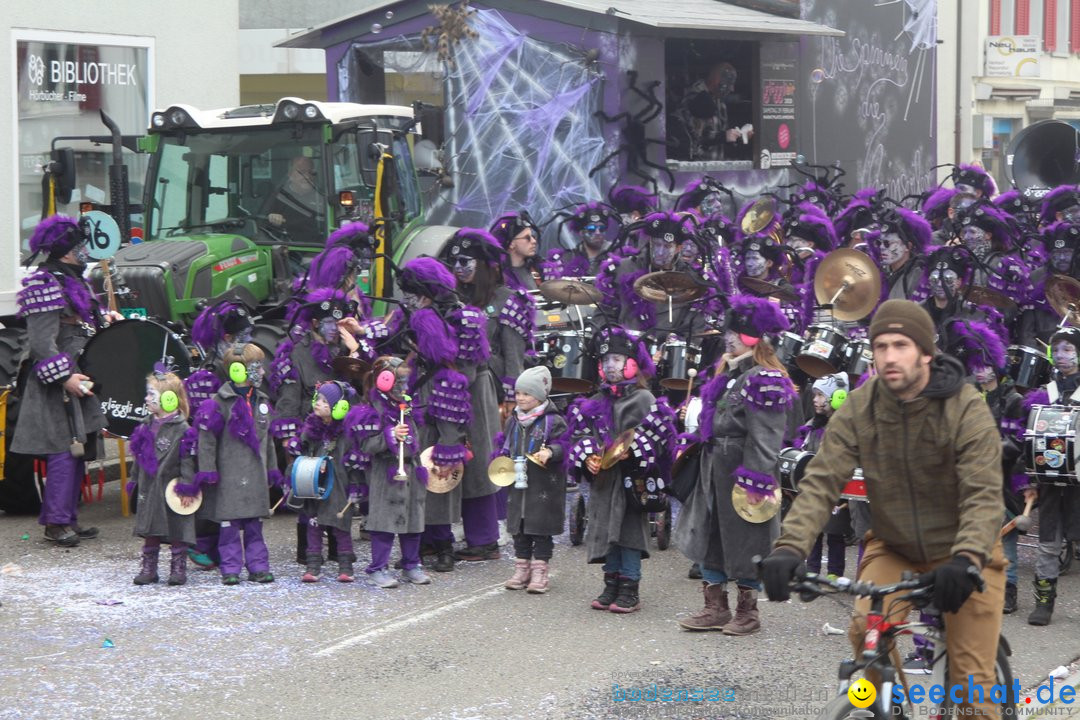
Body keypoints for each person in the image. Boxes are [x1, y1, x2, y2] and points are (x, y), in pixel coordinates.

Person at [762, 300, 1007, 719]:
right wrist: (789, 549)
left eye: (901, 345)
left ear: (926, 352)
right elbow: (822, 480)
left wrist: (966, 558)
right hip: (894, 546)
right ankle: (876, 707)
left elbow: (982, 493)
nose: (889, 356)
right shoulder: (861, 406)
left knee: (972, 688)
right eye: (880, 346)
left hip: (967, 552)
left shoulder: (966, 407)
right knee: (865, 635)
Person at [673, 294, 796, 635]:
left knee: (747, 539)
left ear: (755, 337)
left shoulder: (765, 377)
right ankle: (715, 607)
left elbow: (767, 436)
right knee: (710, 534)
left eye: (737, 332)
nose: (727, 338)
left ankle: (748, 612)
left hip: (744, 472)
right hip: (714, 468)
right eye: (728, 331)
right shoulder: (726, 373)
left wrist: (756, 479)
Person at [13, 215, 113, 547]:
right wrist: (65, 377)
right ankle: (55, 523)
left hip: (78, 372)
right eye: (81, 246)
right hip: (57, 382)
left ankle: (68, 517)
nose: (86, 250)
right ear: (68, 251)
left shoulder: (73, 279)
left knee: (78, 449)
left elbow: (82, 325)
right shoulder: (45, 282)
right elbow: (42, 343)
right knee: (62, 449)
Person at [565, 325, 676, 613]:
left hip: (632, 481)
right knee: (604, 531)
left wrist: (634, 450)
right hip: (604, 480)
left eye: (616, 359)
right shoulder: (596, 401)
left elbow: (660, 441)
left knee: (628, 533)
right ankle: (610, 583)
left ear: (632, 364)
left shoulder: (644, 399)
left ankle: (630, 587)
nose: (609, 366)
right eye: (605, 361)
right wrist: (586, 454)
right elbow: (580, 436)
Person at [190, 344, 283, 585]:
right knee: (229, 527)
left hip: (255, 477)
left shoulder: (261, 400)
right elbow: (207, 440)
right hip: (229, 477)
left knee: (254, 526)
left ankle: (258, 567)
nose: (261, 371)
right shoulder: (218, 404)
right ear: (238, 371)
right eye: (256, 367)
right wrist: (208, 469)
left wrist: (272, 468)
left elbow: (268, 439)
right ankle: (230, 567)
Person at [185, 299, 254, 570]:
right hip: (214, 445)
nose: (250, 342)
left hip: (235, 445)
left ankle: (224, 545)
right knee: (211, 490)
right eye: (244, 337)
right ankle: (201, 543)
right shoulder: (210, 373)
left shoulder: (240, 365)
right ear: (227, 338)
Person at [1018, 325, 1080, 625]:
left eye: (1068, 349)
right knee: (1048, 542)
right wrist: (1030, 479)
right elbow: (1031, 438)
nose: (1061, 356)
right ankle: (1044, 603)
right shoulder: (1046, 393)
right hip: (1052, 479)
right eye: (1057, 350)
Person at [354, 356, 431, 588]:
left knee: (413, 521)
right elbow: (366, 446)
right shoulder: (369, 410)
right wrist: (389, 436)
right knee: (384, 524)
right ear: (384, 381)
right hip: (385, 472)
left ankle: (411, 564)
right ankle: (378, 568)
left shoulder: (406, 405)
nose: (405, 387)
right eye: (399, 382)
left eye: (406, 381)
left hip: (410, 470)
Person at [497, 366, 567, 594]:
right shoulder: (513, 420)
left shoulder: (553, 421)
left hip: (543, 485)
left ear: (539, 396)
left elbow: (565, 444)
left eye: (526, 394)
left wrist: (551, 452)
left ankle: (540, 571)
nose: (520, 398)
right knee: (520, 529)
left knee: (540, 529)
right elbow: (504, 445)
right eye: (518, 393)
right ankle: (522, 568)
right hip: (518, 483)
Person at [289, 381, 364, 584]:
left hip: (339, 484)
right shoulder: (311, 429)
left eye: (324, 401)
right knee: (313, 524)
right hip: (315, 484)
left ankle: (345, 566)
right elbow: (302, 450)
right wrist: (296, 446)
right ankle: (313, 565)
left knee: (341, 526)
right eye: (318, 399)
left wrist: (356, 486)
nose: (318, 403)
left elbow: (354, 463)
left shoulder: (347, 434)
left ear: (339, 407)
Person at [128, 369, 197, 586]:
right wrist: (133, 481)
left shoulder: (183, 429)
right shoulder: (144, 426)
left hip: (172, 487)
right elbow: (138, 458)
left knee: (177, 527)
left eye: (151, 394)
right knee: (150, 527)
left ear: (169, 399)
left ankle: (178, 567)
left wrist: (187, 487)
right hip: (150, 487)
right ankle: (149, 567)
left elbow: (187, 461)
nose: (147, 399)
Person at [795, 373, 851, 581]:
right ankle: (812, 569)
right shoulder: (813, 425)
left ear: (838, 397)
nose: (816, 400)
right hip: (814, 485)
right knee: (814, 529)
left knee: (835, 532)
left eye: (820, 395)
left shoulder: (844, 426)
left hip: (837, 487)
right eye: (815, 396)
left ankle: (834, 573)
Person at [675, 62, 751, 161]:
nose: (732, 89)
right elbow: (696, 137)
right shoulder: (696, 97)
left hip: (715, 167)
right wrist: (724, 136)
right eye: (729, 83)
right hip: (696, 168)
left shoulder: (720, 102)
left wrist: (738, 136)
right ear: (717, 80)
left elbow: (721, 136)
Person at [266, 155, 322, 243]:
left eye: (311, 172)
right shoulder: (279, 196)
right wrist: (272, 217)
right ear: (290, 174)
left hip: (317, 247)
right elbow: (264, 223)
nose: (307, 176)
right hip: (287, 247)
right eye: (302, 172)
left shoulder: (322, 196)